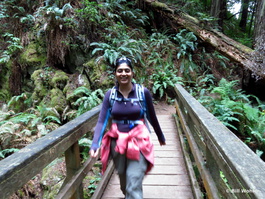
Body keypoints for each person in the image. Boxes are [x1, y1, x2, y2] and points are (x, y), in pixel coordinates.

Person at [89, 57, 166, 199]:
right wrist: (95, 144)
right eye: (120, 71)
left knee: (133, 182)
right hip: (117, 143)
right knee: (125, 183)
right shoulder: (110, 95)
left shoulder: (143, 93)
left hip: (139, 141)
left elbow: (152, 116)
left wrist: (160, 135)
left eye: (126, 70)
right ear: (115, 74)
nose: (123, 73)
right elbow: (101, 121)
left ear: (132, 73)